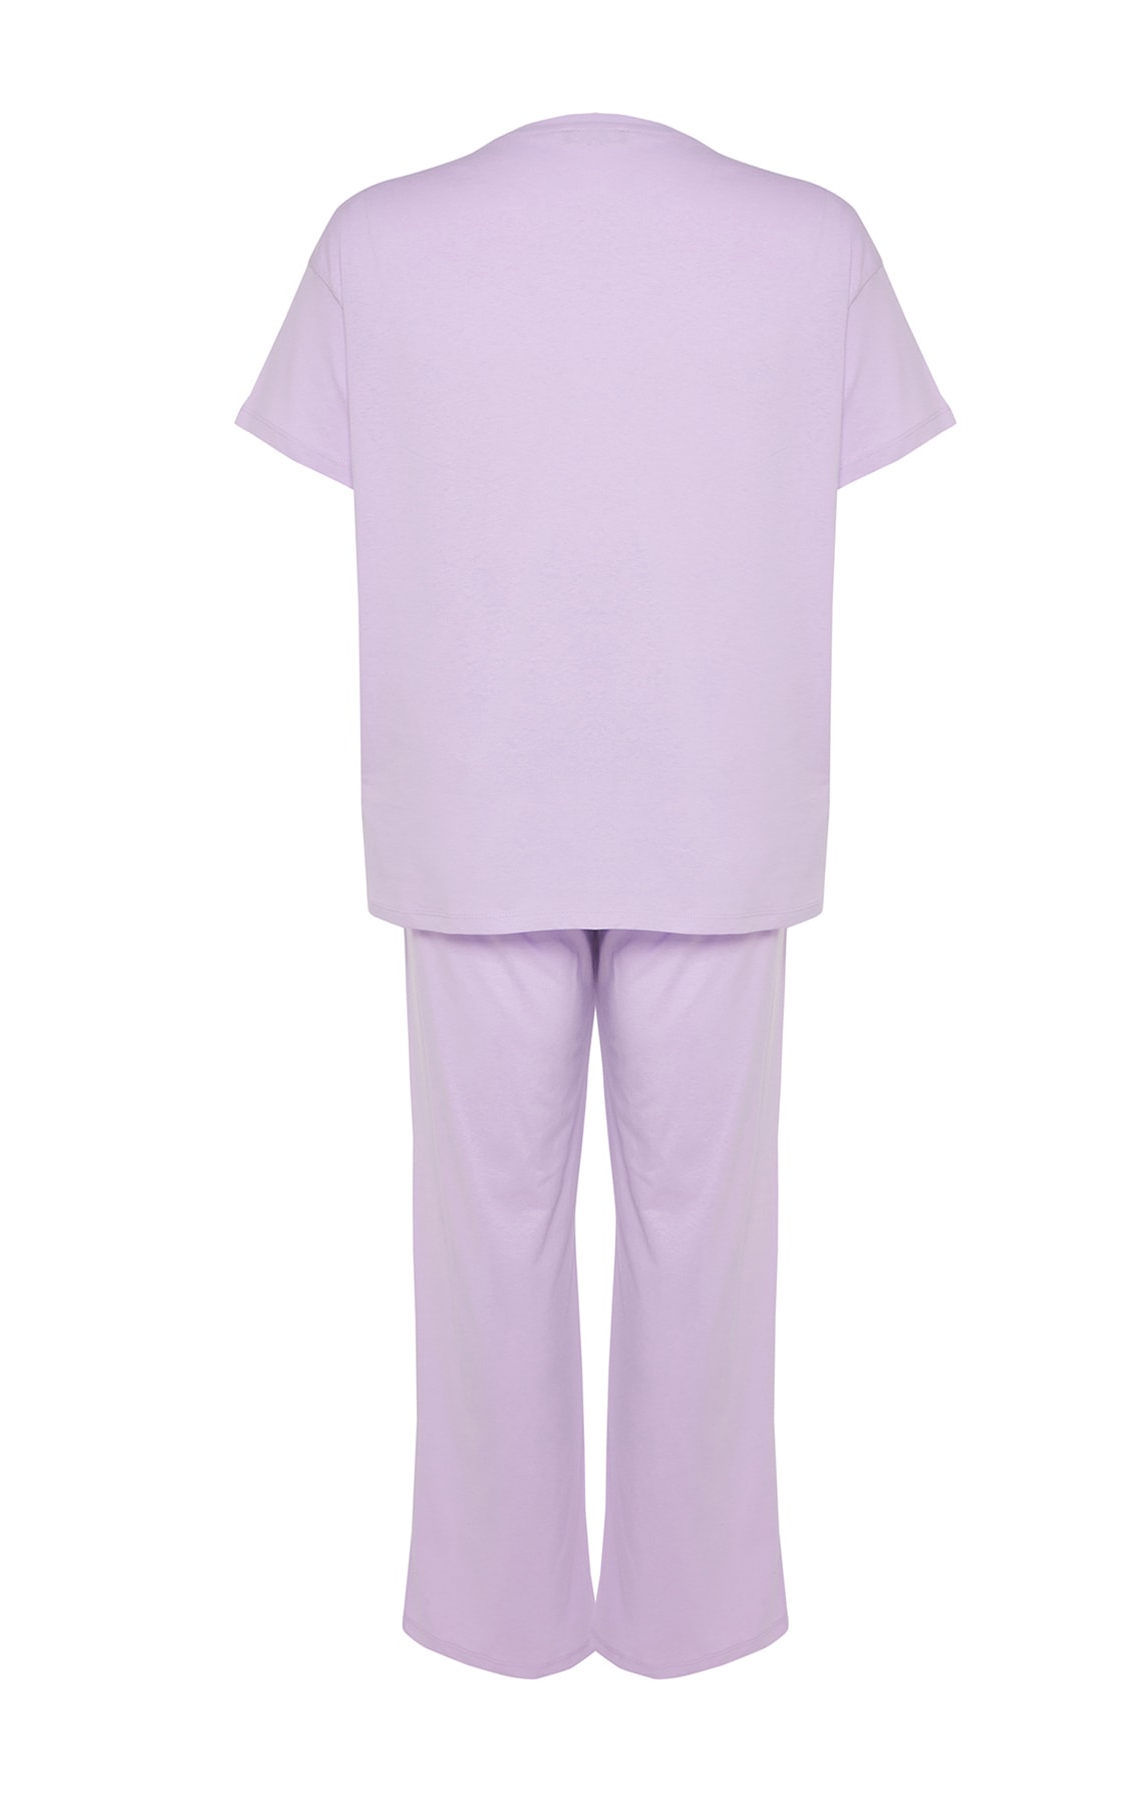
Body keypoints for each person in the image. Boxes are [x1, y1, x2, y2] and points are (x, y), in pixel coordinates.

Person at [233, 111, 956, 1679]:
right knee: (705, 1239)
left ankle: (496, 1620)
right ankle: (694, 1620)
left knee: (484, 1239)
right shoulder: (809, 235)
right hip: (712, 796)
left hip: (478, 798)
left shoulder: (381, 235)